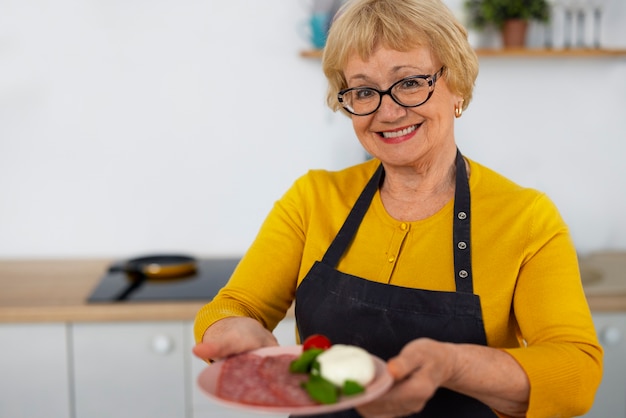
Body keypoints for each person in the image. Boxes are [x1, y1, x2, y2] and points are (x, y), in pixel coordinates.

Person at [193, 0, 603, 416]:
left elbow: (577, 374)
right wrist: (233, 330)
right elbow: (232, 307)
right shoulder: (312, 199)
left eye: (408, 82)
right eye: (365, 90)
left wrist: (454, 365)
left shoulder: (525, 217)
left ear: (456, 83)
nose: (387, 112)